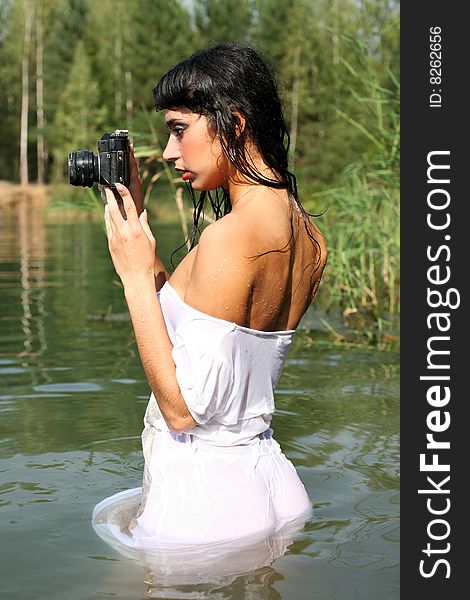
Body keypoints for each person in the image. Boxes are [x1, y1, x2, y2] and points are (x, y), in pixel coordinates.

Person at [92, 43, 327, 551]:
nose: (171, 151)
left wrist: (134, 279)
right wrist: (138, 225)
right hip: (270, 488)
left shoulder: (228, 237)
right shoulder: (308, 235)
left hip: (202, 507)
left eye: (179, 129)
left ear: (235, 124)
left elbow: (182, 411)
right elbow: (195, 330)